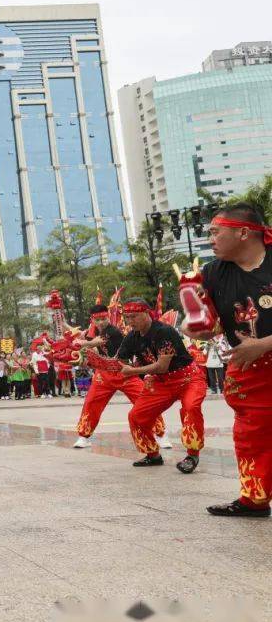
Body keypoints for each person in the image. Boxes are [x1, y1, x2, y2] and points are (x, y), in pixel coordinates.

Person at [183, 204, 272, 517]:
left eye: (215, 231)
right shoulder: (213, 273)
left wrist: (264, 344)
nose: (210, 238)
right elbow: (196, 325)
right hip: (248, 369)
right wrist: (195, 324)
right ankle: (254, 500)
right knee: (249, 436)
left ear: (243, 232)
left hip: (259, 353)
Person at [118, 299, 206, 473]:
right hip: (161, 382)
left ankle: (192, 455)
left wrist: (134, 371)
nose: (130, 322)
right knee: (136, 416)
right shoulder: (131, 337)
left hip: (188, 378)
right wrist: (93, 361)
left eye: (134, 316)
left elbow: (162, 366)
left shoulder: (164, 331)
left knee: (191, 407)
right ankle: (152, 455)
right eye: (127, 318)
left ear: (147, 313)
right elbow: (119, 359)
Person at [71, 305, 168, 450]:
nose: (101, 322)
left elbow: (97, 342)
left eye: (103, 319)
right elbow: (89, 348)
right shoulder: (90, 332)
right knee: (91, 403)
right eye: (97, 320)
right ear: (93, 320)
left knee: (145, 401)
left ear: (108, 317)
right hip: (103, 375)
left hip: (125, 372)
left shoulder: (113, 331)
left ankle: (160, 434)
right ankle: (83, 436)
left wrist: (82, 344)